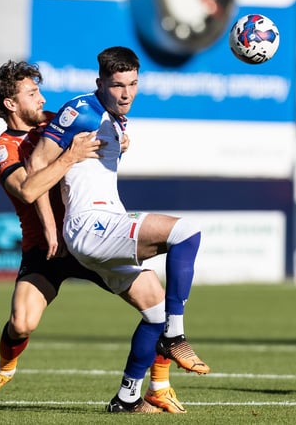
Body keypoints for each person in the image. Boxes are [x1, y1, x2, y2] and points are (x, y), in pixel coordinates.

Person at [0, 60, 186, 414]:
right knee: (22, 323)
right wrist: (69, 158)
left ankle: (155, 388)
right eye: (32, 93)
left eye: (39, 91)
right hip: (45, 249)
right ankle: (4, 369)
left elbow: (102, 135)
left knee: (155, 301)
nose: (41, 98)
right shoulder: (3, 148)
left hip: (90, 235)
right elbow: (27, 189)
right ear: (10, 104)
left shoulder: (60, 119)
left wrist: (119, 141)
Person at [28, 46, 210, 410]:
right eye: (117, 85)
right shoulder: (79, 111)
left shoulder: (115, 117)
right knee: (185, 232)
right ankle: (176, 336)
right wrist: (50, 226)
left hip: (103, 228)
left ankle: (127, 398)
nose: (126, 93)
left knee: (155, 310)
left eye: (133, 84)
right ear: (100, 83)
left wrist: (119, 145)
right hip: (90, 226)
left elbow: (90, 167)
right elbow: (36, 166)